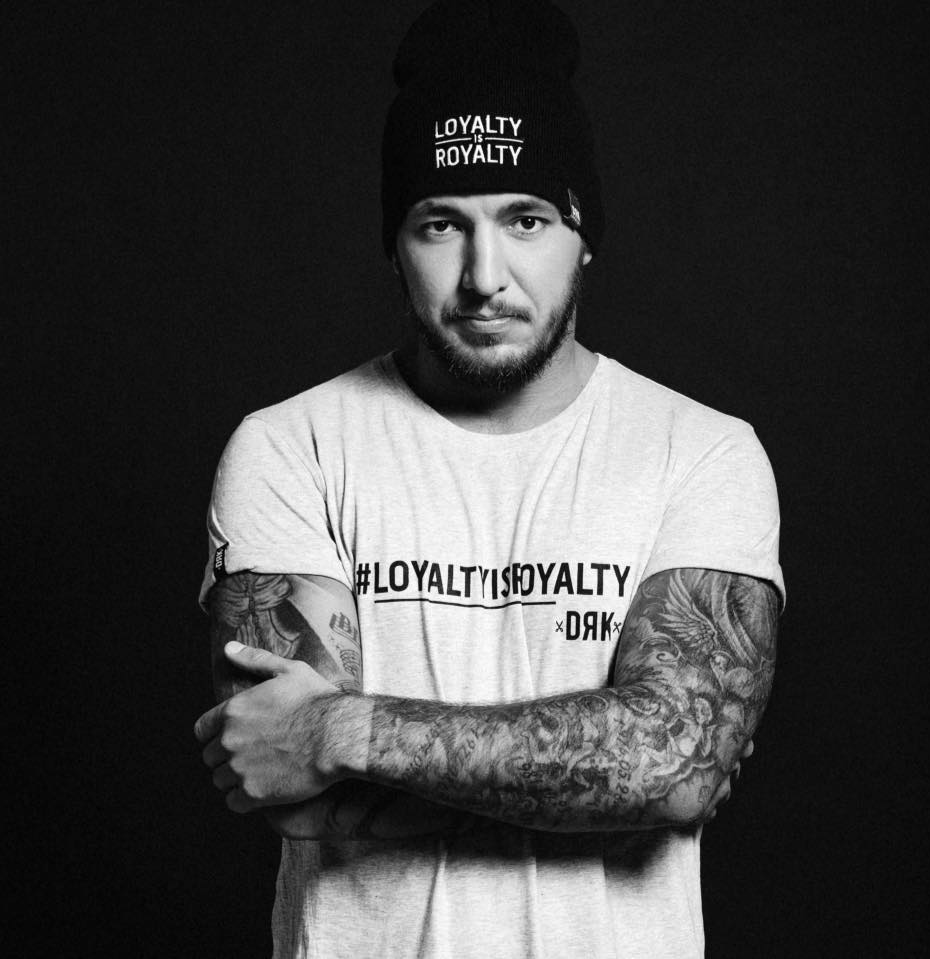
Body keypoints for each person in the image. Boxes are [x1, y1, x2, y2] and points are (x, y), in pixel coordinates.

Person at [194, 1, 784, 956]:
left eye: (525, 219)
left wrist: (341, 732)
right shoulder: (292, 446)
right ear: (394, 243)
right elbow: (285, 789)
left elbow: (672, 765)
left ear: (582, 233)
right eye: (441, 224)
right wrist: (616, 769)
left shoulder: (702, 452)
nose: (484, 275)